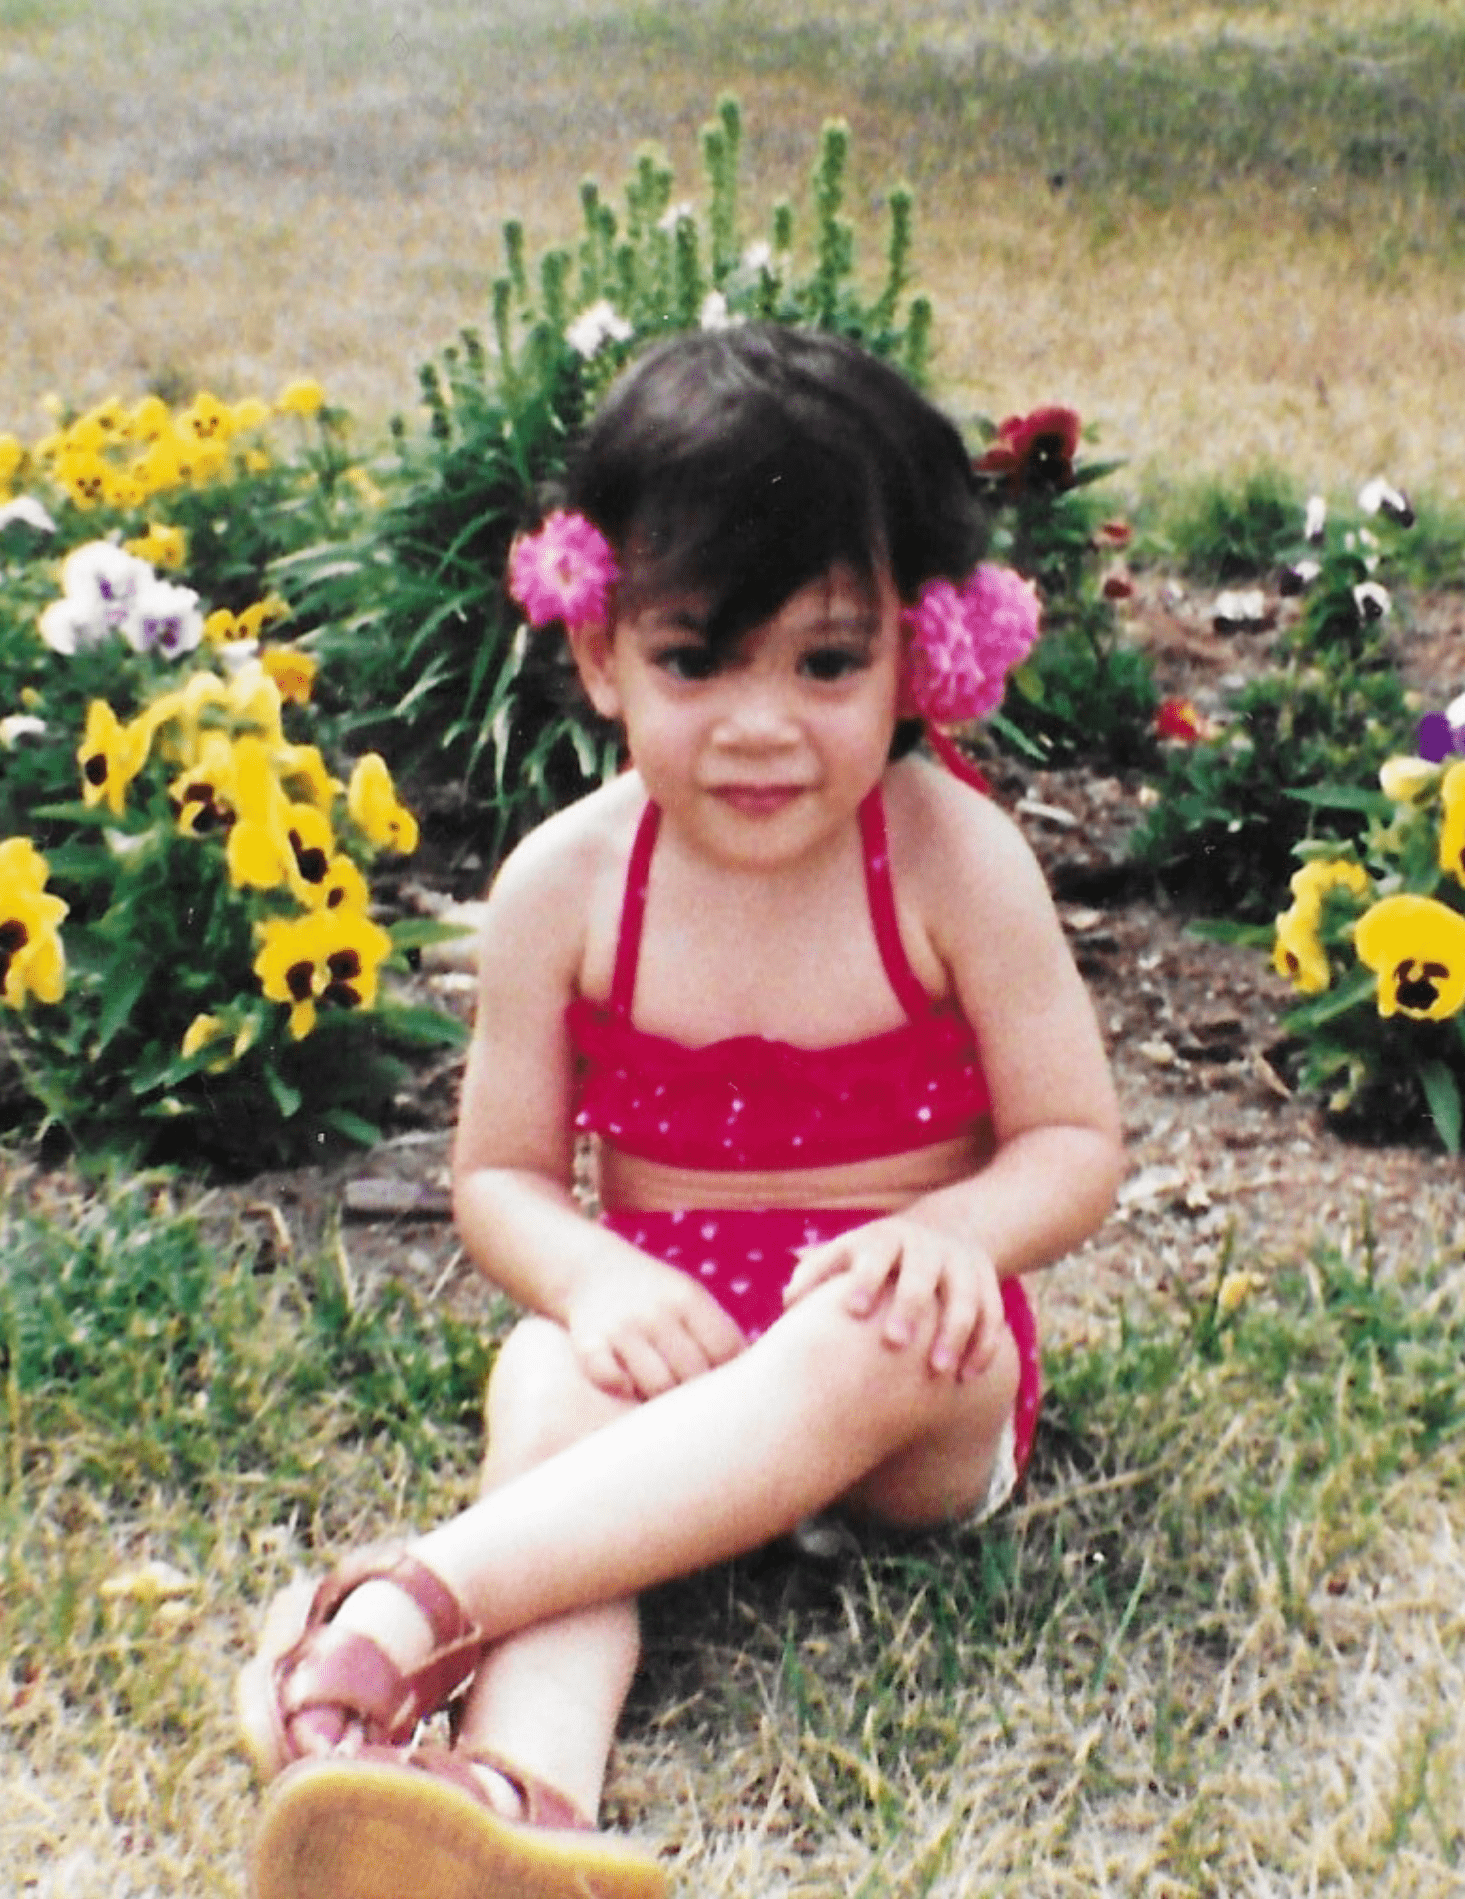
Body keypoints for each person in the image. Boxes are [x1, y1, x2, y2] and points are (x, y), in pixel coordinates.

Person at [237, 321, 1123, 1899]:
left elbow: (1073, 1143)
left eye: (828, 663)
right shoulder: (566, 886)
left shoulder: (949, 858)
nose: (763, 724)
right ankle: (519, 1805)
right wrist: (596, 1278)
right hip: (677, 1345)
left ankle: (403, 1604)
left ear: (926, 652)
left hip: (905, 1385)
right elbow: (502, 1178)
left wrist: (949, 1236)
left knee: (868, 1329)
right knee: (551, 1381)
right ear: (600, 652)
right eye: (697, 660)